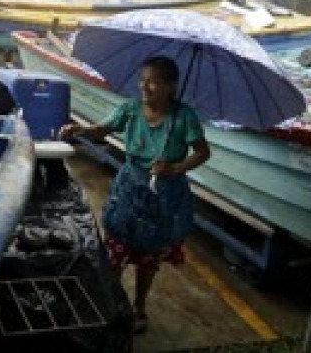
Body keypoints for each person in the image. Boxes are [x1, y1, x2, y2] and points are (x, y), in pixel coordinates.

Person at [59, 55, 211, 334]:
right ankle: (110, 301)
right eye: (143, 81)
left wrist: (175, 167)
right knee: (116, 249)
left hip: (163, 195)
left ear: (170, 87)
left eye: (153, 82)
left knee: (148, 257)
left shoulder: (184, 116)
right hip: (130, 189)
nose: (145, 87)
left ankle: (139, 306)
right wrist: (80, 129)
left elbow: (203, 152)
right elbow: (103, 129)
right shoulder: (131, 109)